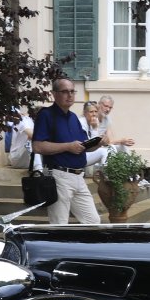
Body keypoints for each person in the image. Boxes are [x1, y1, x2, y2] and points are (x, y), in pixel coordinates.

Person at [31, 77, 100, 224]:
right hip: (58, 176)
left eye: (72, 91)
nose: (70, 95)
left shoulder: (73, 117)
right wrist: (68, 146)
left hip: (79, 177)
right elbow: (37, 146)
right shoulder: (46, 115)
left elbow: (83, 146)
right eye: (65, 91)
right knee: (59, 224)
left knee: (93, 222)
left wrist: (99, 143)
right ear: (54, 94)